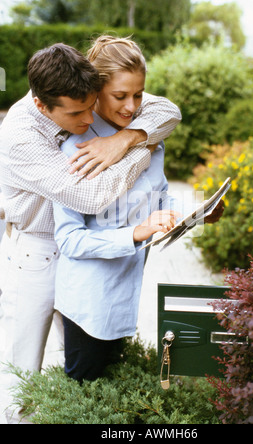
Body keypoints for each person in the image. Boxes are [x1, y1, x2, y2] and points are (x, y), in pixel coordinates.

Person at [0, 42, 181, 418]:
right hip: (37, 252)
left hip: (84, 258)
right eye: (77, 112)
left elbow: (167, 110)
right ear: (42, 106)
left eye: (91, 105)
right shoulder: (19, 135)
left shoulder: (79, 92)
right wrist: (144, 149)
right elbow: (92, 195)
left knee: (83, 367)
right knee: (20, 369)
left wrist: (124, 137)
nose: (89, 119)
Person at [53, 36, 224, 383]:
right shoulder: (76, 150)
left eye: (139, 94)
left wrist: (199, 212)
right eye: (120, 96)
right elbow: (69, 240)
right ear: (95, 91)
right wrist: (137, 231)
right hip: (88, 303)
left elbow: (159, 199)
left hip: (127, 292)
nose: (132, 106)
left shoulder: (148, 139)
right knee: (83, 393)